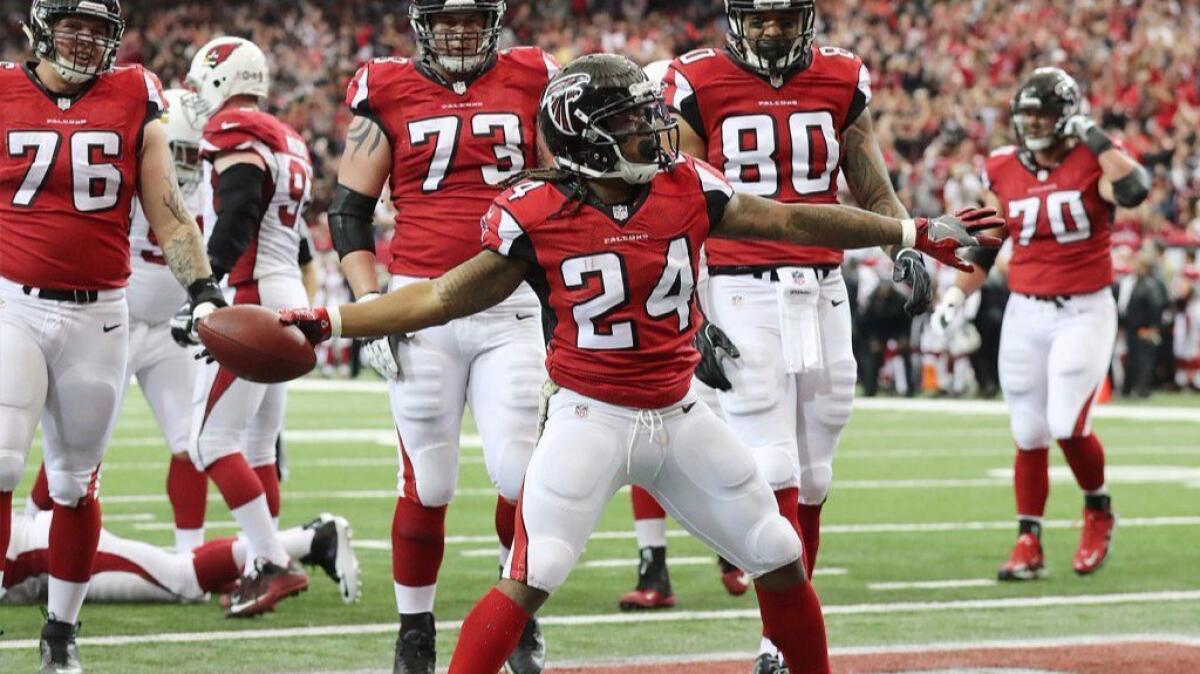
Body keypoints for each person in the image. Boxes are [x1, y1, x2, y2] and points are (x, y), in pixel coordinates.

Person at [276, 54, 1000, 674]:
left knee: (776, 548)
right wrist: (333, 319)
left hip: (681, 411)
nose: (650, 129)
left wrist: (910, 228)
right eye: (628, 120)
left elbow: (788, 218)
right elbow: (436, 298)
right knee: (536, 571)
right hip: (590, 417)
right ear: (587, 140)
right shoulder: (536, 214)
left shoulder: (687, 186)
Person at [623, 2, 933, 657]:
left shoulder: (842, 77)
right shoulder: (697, 79)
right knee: (773, 461)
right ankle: (782, 644)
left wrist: (902, 239)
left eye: (785, 16)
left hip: (823, 288)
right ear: (736, 19)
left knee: (816, 475)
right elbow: (675, 204)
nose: (772, 30)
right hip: (739, 286)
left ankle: (788, 633)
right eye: (759, 17)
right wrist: (695, 311)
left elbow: (871, 184)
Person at [328, 1, 557, 670]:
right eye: (447, 18)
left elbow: (563, 186)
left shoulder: (532, 77)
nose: (460, 31)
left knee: (520, 473)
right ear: (422, 23)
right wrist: (370, 300)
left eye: (472, 17)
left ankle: (514, 609)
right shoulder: (388, 86)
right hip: (419, 304)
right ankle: (414, 629)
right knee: (427, 482)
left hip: (506, 299)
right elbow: (350, 209)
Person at [0, 1, 223, 671]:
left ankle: (62, 633)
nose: (85, 40)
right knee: (4, 464)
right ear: (42, 25)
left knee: (73, 484)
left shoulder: (133, 94)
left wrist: (205, 291)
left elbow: (170, 211)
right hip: (14, 302)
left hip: (101, 314)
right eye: (73, 25)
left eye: (99, 31)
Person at [933, 67, 1150, 581]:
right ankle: (1028, 541)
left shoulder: (1092, 157)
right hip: (1024, 309)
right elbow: (988, 241)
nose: (1032, 123)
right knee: (1027, 430)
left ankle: (1098, 508)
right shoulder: (1002, 166)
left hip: (1084, 307)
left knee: (1066, 423)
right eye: (1025, 113)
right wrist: (954, 295)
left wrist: (1093, 136)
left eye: (1042, 113)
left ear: (1066, 115)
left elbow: (1137, 189)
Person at [176, 35, 314, 618]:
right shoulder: (289, 136)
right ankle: (264, 562)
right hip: (285, 296)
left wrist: (204, 294)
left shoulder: (237, 132)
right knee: (257, 445)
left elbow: (238, 208)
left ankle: (274, 562)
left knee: (209, 442)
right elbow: (298, 236)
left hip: (253, 296)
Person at [125, 88, 211, 554]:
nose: (192, 161)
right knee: (77, 449)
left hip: (169, 327)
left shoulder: (211, 182)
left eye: (198, 151)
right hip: (114, 318)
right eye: (182, 150)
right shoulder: (133, 172)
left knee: (189, 441)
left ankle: (190, 554)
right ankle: (33, 533)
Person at [3, 507, 359, 608]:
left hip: (52, 551)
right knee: (181, 568)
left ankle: (312, 539)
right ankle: (311, 538)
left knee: (182, 579)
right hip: (41, 558)